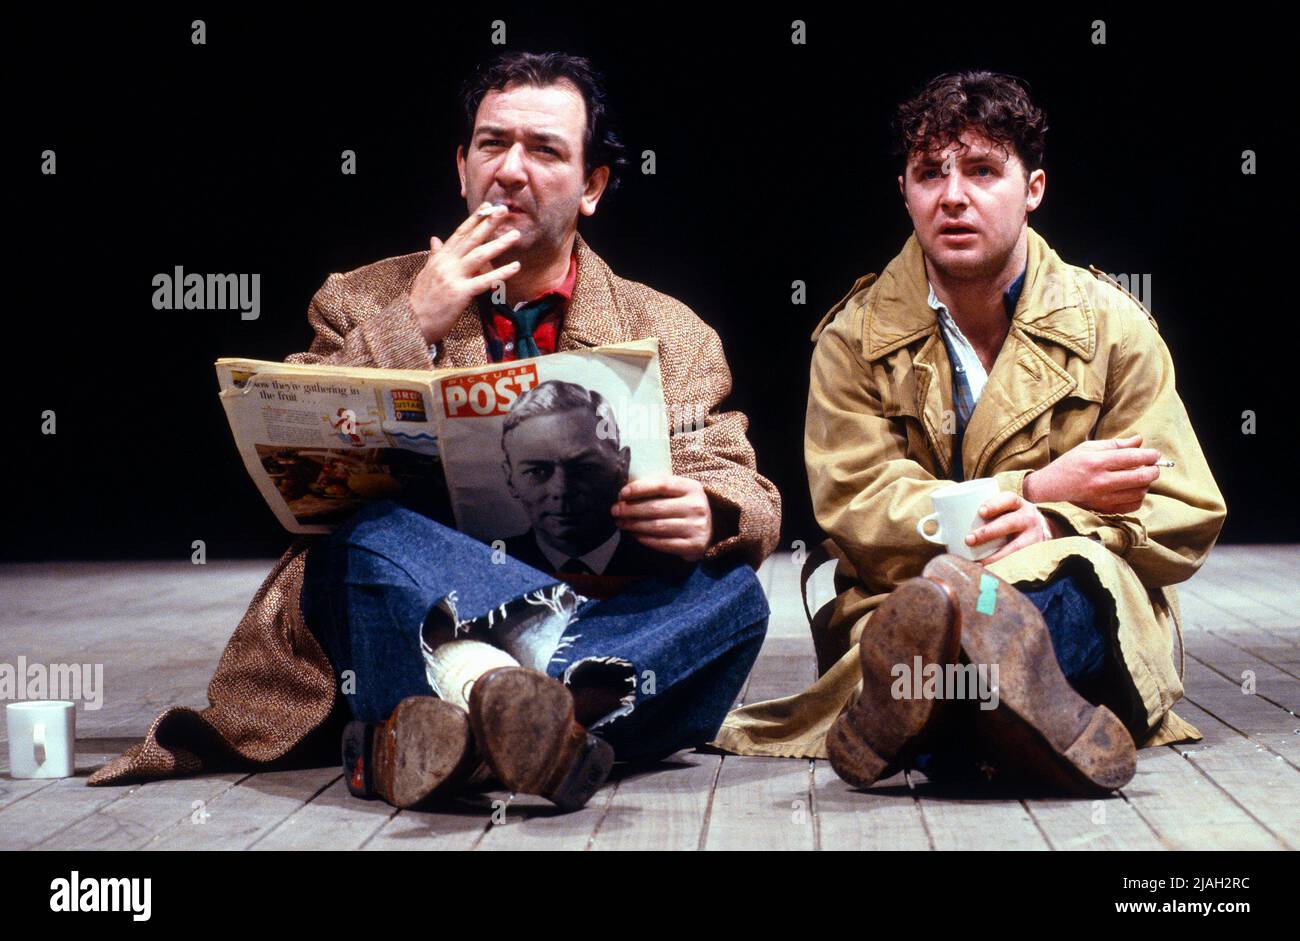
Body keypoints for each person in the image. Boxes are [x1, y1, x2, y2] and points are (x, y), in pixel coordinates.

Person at [88, 52, 781, 813]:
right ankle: (550, 713)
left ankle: (454, 736)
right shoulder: (361, 298)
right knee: (367, 539)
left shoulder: (669, 330)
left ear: (592, 186)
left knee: (735, 594)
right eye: (492, 144)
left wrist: (707, 509)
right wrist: (412, 321)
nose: (511, 170)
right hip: (425, 605)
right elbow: (297, 471)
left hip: (589, 598)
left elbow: (735, 471)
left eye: (545, 150)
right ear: (461, 167)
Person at [714, 71, 1226, 793]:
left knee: (1069, 586)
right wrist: (1030, 489)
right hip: (905, 605)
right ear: (905, 192)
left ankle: (926, 723)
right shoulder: (852, 339)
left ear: (1034, 188)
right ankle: (997, 728)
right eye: (929, 173)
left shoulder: (1112, 327)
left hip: (1070, 606)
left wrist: (1055, 521)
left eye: (983, 170)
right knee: (944, 619)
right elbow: (859, 505)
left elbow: (1185, 505)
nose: (952, 194)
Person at [498, 380, 685, 581]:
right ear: (510, 479)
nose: (562, 490)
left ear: (622, 464)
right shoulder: (489, 561)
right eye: (537, 471)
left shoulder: (671, 556)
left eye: (584, 468)